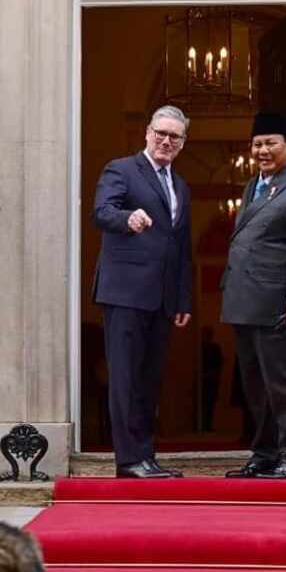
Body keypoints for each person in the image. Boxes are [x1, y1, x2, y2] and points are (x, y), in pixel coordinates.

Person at [220, 111, 286, 480]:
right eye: (257, 144)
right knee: (257, 388)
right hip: (248, 304)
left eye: (270, 143)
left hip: (284, 306)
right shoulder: (255, 185)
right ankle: (265, 455)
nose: (262, 150)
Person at [92, 105, 193, 479]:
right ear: (147, 133)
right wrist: (126, 218)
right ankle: (129, 459)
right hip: (125, 292)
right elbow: (102, 211)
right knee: (126, 377)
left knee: (150, 380)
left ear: (183, 144)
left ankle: (145, 456)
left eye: (174, 136)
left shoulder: (179, 185)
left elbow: (182, 248)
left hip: (162, 298)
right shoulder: (121, 169)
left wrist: (183, 298)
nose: (166, 140)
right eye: (161, 133)